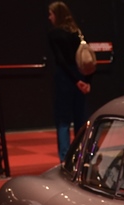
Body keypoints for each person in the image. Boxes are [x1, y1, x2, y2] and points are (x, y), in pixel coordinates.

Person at [47, 1, 91, 160]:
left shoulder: (54, 34)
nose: (49, 17)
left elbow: (60, 60)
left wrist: (74, 80)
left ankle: (65, 158)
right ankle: (82, 154)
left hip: (64, 79)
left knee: (63, 121)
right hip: (80, 77)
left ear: (57, 15)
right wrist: (85, 81)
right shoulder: (76, 32)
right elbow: (86, 60)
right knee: (80, 119)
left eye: (51, 14)